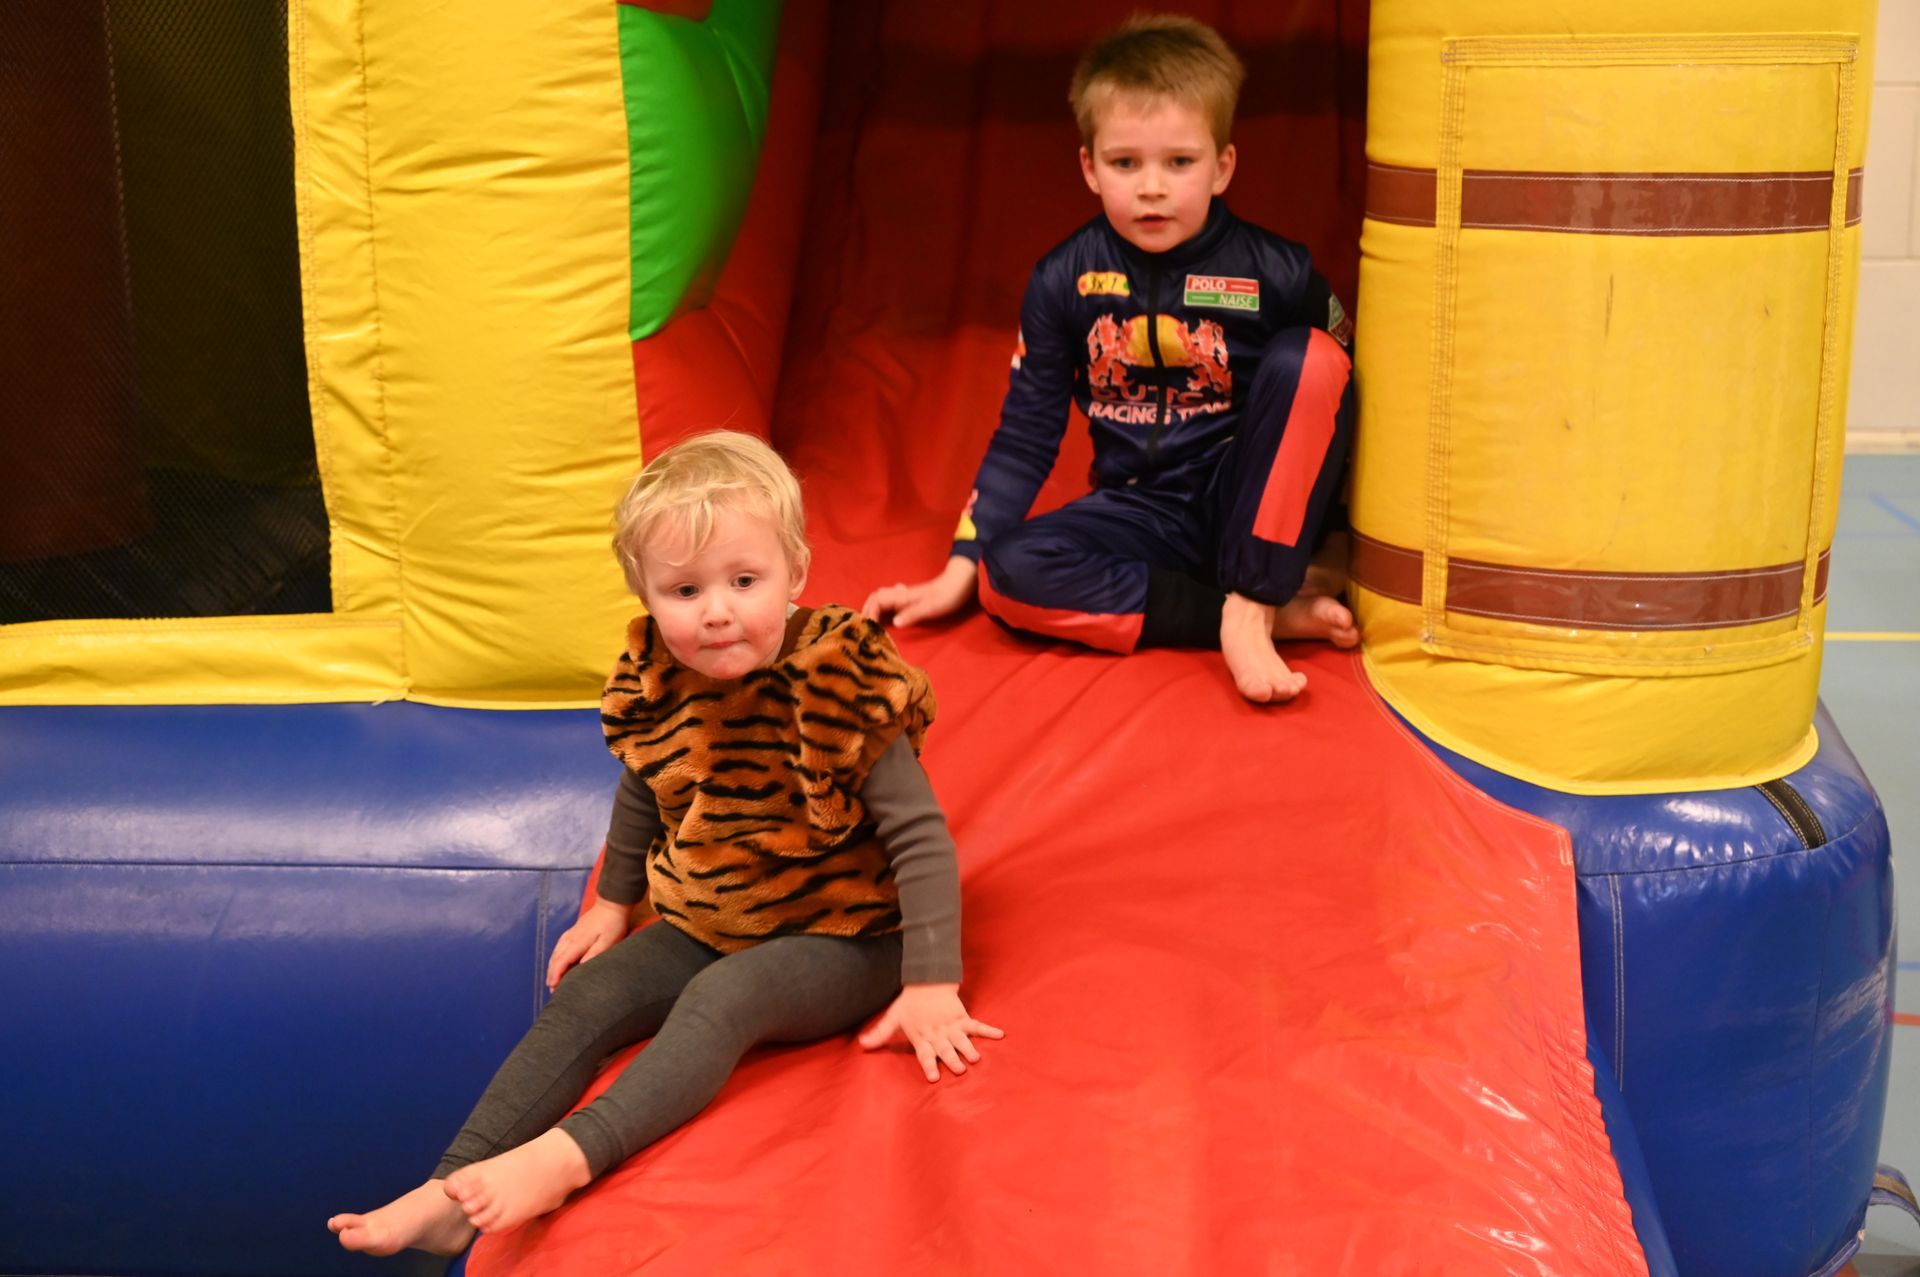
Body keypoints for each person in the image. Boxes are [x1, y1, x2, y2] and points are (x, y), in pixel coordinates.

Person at [328, 431, 998, 1255]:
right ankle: (449, 1189)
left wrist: (931, 979)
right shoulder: (658, 676)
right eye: (685, 589)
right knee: (591, 993)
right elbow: (643, 786)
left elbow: (920, 836)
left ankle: (567, 1157)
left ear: (795, 570)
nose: (716, 610)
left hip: (847, 930)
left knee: (726, 996)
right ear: (645, 594)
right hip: (709, 912)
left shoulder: (839, 677)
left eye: (744, 581)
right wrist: (613, 903)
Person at [863, 14, 1359, 703]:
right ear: (1090, 169)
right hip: (1143, 511)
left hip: (1252, 503)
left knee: (1314, 357)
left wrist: (1332, 535)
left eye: (1179, 163)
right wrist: (961, 565)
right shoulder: (1063, 278)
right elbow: (1027, 429)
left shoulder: (1280, 272)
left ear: (1222, 167)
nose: (1152, 186)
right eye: (1126, 163)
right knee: (1007, 573)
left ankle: (1255, 602)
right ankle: (1246, 613)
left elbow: (1337, 410)